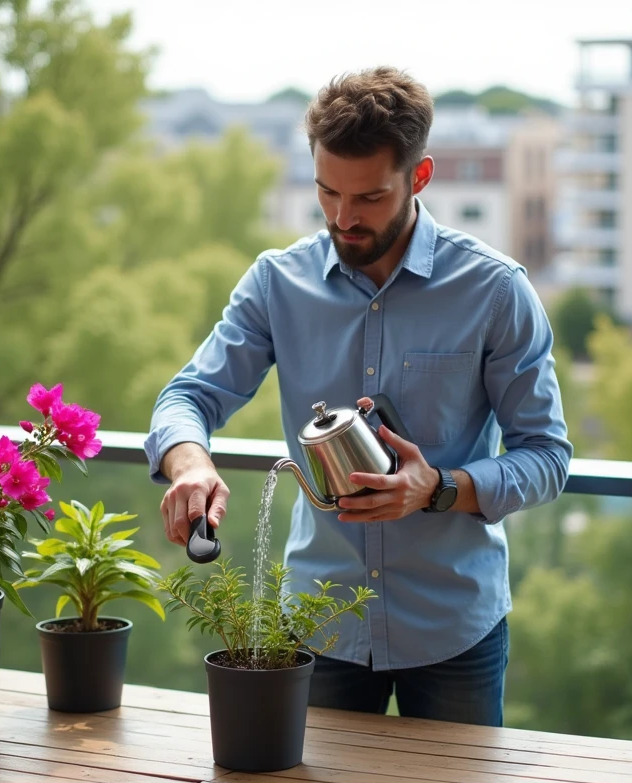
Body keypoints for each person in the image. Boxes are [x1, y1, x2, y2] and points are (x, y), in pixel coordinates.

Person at [143, 67, 572, 726]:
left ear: (419, 177)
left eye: (369, 197)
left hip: (454, 629)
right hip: (321, 624)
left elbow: (546, 457)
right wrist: (191, 463)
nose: (344, 217)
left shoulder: (495, 291)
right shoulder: (276, 283)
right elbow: (189, 395)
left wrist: (437, 488)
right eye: (326, 191)